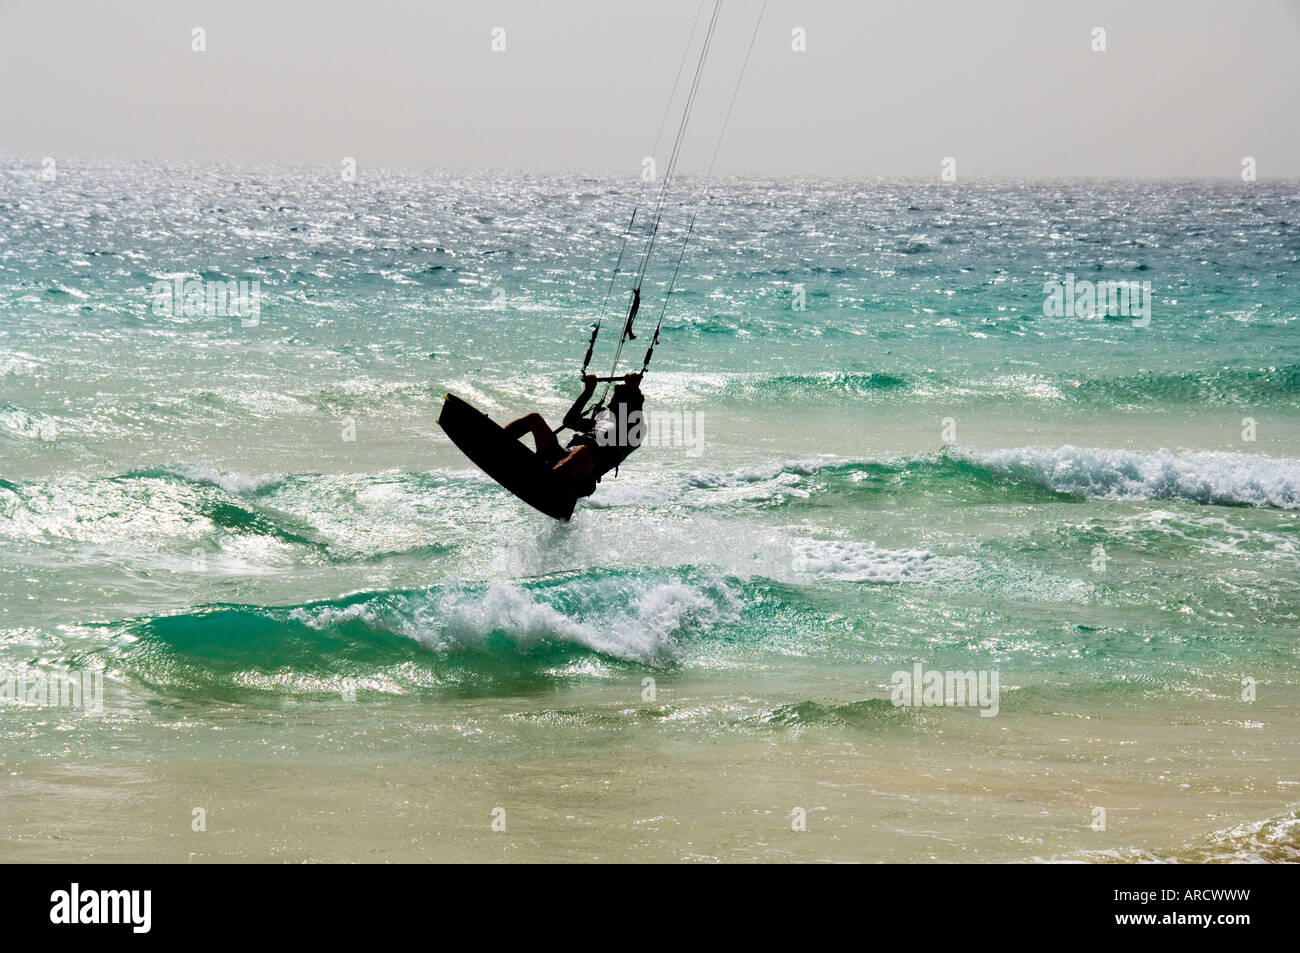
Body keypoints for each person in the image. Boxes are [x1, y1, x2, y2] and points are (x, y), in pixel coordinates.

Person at [503, 372, 645, 498]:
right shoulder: (600, 421)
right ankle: (496, 440)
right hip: (561, 456)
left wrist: (634, 388)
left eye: (614, 400)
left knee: (583, 451)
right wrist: (588, 392)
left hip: (582, 479)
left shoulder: (633, 433)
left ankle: (543, 481)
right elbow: (569, 421)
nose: (610, 403)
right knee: (534, 419)